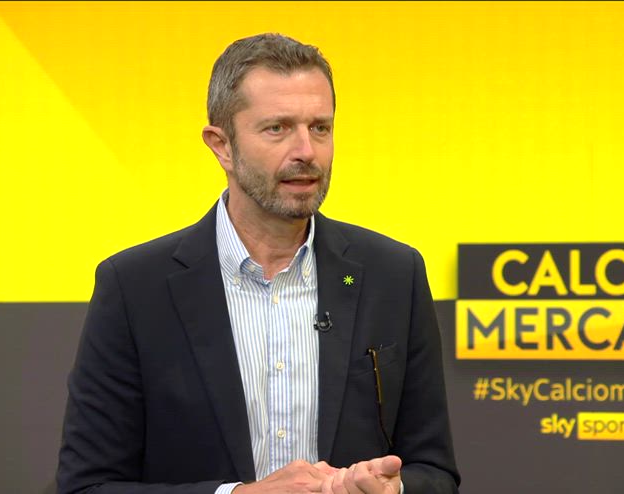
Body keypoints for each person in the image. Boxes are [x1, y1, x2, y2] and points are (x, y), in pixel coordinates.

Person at [56, 33, 459, 494]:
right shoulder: (134, 288)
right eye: (277, 128)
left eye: (320, 128)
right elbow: (87, 486)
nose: (307, 151)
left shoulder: (395, 275)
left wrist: (392, 489)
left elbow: (436, 473)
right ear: (221, 145)